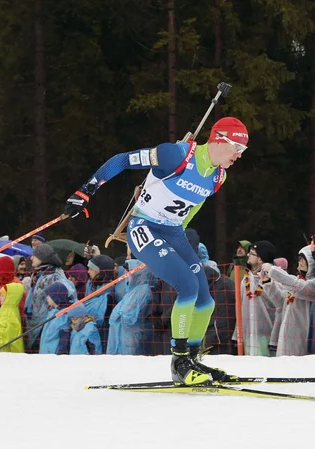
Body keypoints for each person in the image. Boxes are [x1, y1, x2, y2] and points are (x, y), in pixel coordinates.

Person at [64, 117, 249, 385]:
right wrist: (85, 191)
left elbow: (193, 206)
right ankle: (179, 363)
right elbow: (122, 160)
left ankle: (193, 360)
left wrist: (181, 232)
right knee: (187, 286)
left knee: (205, 298)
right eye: (237, 148)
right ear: (220, 140)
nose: (238, 156)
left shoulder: (219, 176)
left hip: (173, 231)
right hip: (145, 228)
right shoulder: (176, 155)